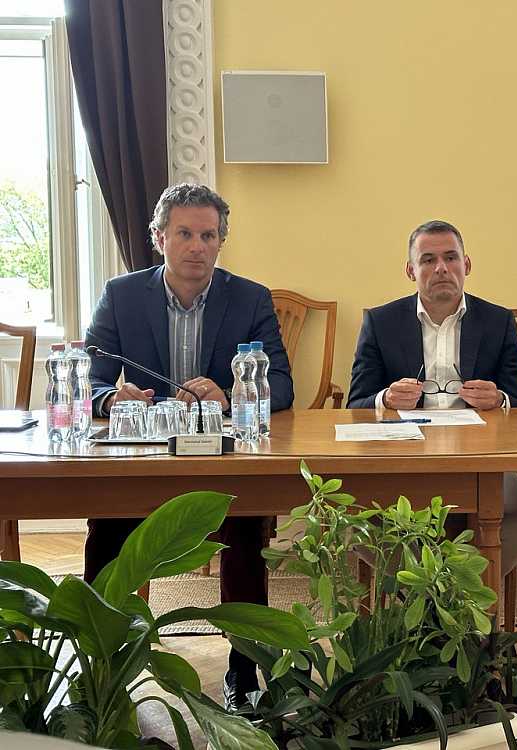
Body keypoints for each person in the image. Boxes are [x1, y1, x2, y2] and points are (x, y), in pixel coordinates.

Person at [84, 183, 293, 710]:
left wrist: (234, 391)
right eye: (184, 234)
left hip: (221, 458)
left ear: (221, 241)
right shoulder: (121, 295)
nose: (197, 247)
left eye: (208, 235)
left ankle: (244, 672)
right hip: (143, 459)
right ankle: (103, 673)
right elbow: (91, 379)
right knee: (107, 529)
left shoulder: (249, 298)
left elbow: (283, 385)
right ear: (159, 238)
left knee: (244, 527)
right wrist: (114, 397)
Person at [347, 219, 517, 575]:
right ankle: (428, 597)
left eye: (451, 257)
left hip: (482, 457)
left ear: (467, 265)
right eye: (428, 260)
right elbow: (355, 404)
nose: (441, 268)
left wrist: (499, 399)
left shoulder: (498, 321)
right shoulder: (380, 322)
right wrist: (385, 398)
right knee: (365, 520)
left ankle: (463, 597)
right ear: (410, 270)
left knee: (515, 516)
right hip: (402, 456)